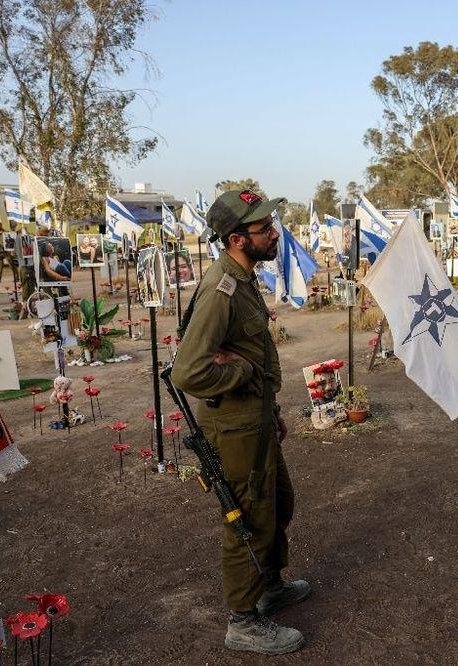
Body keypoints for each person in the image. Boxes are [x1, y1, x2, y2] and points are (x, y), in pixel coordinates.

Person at [170, 189, 308, 655]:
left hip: (256, 420)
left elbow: (250, 348)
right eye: (263, 228)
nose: (274, 233)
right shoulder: (220, 288)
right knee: (246, 517)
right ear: (236, 239)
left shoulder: (244, 277)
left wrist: (272, 410)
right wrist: (243, 372)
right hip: (233, 428)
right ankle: (243, 620)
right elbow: (189, 371)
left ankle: (269, 586)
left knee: (277, 504)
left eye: (272, 223)